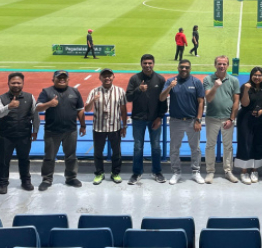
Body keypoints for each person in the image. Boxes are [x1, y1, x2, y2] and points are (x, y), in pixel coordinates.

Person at [35, 70, 86, 190]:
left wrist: (83, 125)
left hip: (70, 130)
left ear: (68, 79)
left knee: (71, 156)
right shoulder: (47, 91)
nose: (62, 80)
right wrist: (49, 103)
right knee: (49, 157)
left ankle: (71, 178)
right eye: (59, 78)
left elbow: (80, 109)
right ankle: (47, 179)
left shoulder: (75, 91)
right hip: (52, 131)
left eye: (64, 78)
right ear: (53, 79)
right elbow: (38, 108)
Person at [160, 59, 205, 184]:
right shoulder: (171, 81)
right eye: (181, 67)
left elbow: (201, 102)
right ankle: (176, 172)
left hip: (192, 121)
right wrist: (170, 87)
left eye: (186, 67)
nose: (184, 69)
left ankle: (196, 172)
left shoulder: (196, 82)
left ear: (190, 68)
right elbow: (162, 97)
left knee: (195, 148)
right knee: (174, 148)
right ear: (178, 68)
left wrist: (198, 120)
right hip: (176, 121)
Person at [0, 72, 39, 194]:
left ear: (23, 84)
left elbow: (35, 114)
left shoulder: (30, 97)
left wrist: (35, 130)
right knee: (4, 160)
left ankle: (26, 181)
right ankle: (3, 183)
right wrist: (9, 106)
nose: (16, 85)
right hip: (6, 135)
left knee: (24, 159)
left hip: (24, 135)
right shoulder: (1, 98)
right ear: (8, 83)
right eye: (13, 82)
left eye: (18, 82)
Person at [126, 54, 168, 185]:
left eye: (150, 63)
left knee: (156, 147)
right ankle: (137, 172)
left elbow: (163, 100)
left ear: (153, 64)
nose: (147, 65)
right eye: (145, 63)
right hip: (138, 119)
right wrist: (139, 89)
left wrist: (160, 117)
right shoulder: (135, 79)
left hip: (154, 119)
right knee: (138, 147)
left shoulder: (160, 79)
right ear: (141, 64)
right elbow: (128, 97)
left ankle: (157, 171)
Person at [85, 69, 128, 185]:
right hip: (99, 127)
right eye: (104, 76)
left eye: (109, 76)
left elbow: (124, 110)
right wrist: (92, 101)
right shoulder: (94, 91)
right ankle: (99, 173)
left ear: (113, 77)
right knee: (98, 152)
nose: (107, 78)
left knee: (116, 152)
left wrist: (124, 126)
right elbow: (87, 109)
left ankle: (115, 173)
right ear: (100, 78)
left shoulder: (120, 91)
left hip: (115, 127)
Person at [203, 56, 240, 183]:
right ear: (215, 65)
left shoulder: (234, 80)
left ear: (228, 65)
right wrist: (215, 87)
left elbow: (236, 101)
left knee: (228, 146)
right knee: (210, 145)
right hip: (212, 118)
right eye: (219, 64)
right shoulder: (208, 79)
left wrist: (232, 118)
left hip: (227, 118)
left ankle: (228, 171)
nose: (222, 66)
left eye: (224, 64)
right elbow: (208, 98)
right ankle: (210, 171)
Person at [235, 67, 262, 184]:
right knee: (245, 142)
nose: (257, 77)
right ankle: (244, 171)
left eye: (259, 75)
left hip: (261, 118)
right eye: (255, 75)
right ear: (251, 76)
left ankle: (255, 170)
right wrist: (245, 90)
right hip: (245, 117)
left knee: (259, 142)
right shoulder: (245, 87)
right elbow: (244, 103)